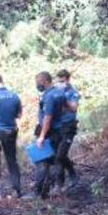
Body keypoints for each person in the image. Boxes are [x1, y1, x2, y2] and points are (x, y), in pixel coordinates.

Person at [29, 71, 66, 199]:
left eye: (38, 82)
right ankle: (54, 188)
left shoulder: (49, 96)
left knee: (41, 161)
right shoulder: (60, 93)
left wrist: (41, 136)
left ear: (45, 81)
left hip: (49, 132)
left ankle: (38, 193)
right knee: (54, 160)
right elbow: (66, 109)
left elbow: (47, 118)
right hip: (59, 130)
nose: (37, 85)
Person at [55, 69, 80, 188]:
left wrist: (63, 99)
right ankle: (59, 183)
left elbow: (74, 108)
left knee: (60, 155)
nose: (61, 83)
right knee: (57, 155)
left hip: (68, 126)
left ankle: (72, 174)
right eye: (59, 80)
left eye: (63, 80)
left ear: (68, 79)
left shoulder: (72, 92)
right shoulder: (54, 91)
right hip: (56, 127)